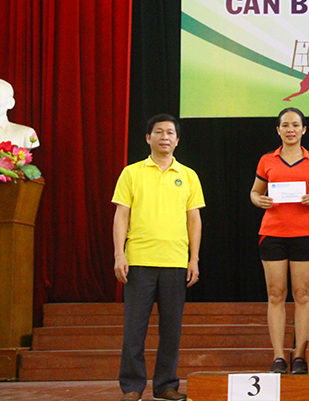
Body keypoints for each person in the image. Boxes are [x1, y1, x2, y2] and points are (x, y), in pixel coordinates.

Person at [112, 114, 204, 401]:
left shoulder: (188, 175)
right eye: (159, 132)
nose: (165, 137)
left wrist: (194, 259)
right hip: (139, 260)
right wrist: (119, 254)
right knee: (134, 328)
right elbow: (121, 215)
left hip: (175, 262)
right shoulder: (131, 173)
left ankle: (166, 385)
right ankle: (132, 387)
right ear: (148, 138)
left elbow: (194, 219)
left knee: (171, 329)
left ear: (177, 140)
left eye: (170, 133)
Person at [250, 108, 309, 375]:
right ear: (278, 130)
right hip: (272, 234)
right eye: (285, 125)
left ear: (303, 129)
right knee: (276, 295)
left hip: (304, 233)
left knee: (302, 295)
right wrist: (259, 200)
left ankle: (299, 356)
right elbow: (254, 192)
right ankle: (278, 356)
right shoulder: (267, 160)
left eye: (295, 125)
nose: (290, 130)